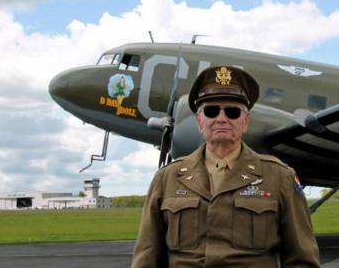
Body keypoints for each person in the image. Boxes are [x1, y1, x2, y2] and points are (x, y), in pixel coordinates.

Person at [131, 66, 320, 268]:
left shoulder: (279, 177)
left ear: (245, 122)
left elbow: (303, 261)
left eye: (232, 111)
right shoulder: (166, 178)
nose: (221, 118)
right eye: (211, 111)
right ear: (199, 121)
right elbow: (146, 258)